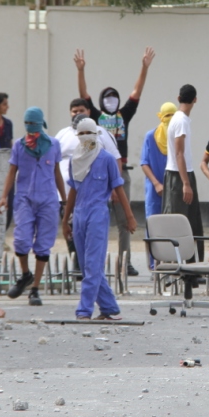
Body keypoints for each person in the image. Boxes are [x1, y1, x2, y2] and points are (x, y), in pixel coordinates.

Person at [75, 47, 155, 276]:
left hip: (122, 173)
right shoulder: (96, 117)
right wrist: (81, 70)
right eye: (107, 98)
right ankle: (92, 261)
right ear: (101, 102)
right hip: (96, 173)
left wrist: (144, 67)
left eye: (114, 98)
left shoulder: (124, 115)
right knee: (97, 220)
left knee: (123, 221)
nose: (111, 101)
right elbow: (83, 94)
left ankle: (125, 261)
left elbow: (137, 91)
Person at [61, 118, 136, 320]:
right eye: (81, 134)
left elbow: (119, 189)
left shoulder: (107, 160)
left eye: (88, 133)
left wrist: (129, 217)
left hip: (98, 214)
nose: (85, 137)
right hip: (79, 215)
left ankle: (84, 310)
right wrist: (65, 220)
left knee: (93, 265)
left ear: (96, 134)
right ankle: (110, 308)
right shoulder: (75, 161)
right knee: (87, 265)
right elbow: (73, 192)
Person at [0, 107, 65, 306]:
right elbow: (12, 172)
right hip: (24, 198)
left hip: (48, 199)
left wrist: (65, 199)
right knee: (21, 239)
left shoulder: (53, 144)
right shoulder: (19, 146)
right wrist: (3, 197)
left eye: (33, 124)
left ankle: (35, 288)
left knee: (43, 244)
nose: (30, 128)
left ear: (40, 123)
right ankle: (25, 274)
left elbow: (57, 172)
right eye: (27, 124)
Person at [163, 84, 204, 259]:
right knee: (178, 223)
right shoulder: (180, 120)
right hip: (178, 175)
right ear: (195, 99)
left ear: (178, 98)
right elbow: (179, 153)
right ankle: (177, 264)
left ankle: (192, 266)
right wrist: (186, 183)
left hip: (185, 173)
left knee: (192, 223)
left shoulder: (182, 119)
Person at [140, 103, 176, 220]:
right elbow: (144, 163)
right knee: (153, 222)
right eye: (167, 115)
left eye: (173, 116)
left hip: (173, 187)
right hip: (155, 187)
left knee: (172, 222)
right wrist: (156, 184)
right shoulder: (150, 136)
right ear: (161, 116)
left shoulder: (178, 137)